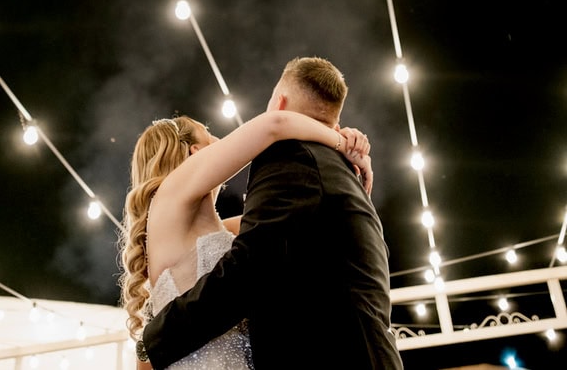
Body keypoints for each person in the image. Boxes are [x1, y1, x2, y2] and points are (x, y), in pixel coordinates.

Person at [139, 55, 404, 370]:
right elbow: (275, 124)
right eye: (209, 133)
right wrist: (341, 142)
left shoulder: (213, 228)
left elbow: (269, 238)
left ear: (279, 101)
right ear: (197, 153)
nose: (222, 140)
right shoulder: (174, 188)